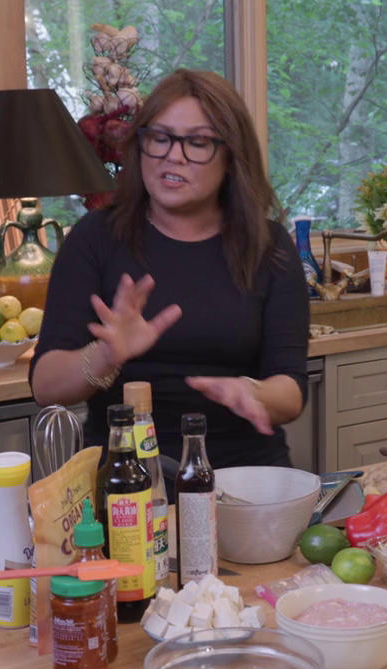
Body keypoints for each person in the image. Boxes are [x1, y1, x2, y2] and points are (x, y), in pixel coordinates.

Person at [30, 69, 309, 472]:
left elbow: (291, 389)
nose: (173, 156)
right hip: (125, 481)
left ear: (231, 158)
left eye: (197, 142)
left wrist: (252, 392)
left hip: (244, 478)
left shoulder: (269, 246)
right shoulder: (95, 238)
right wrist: (106, 355)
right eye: (160, 138)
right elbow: (45, 386)